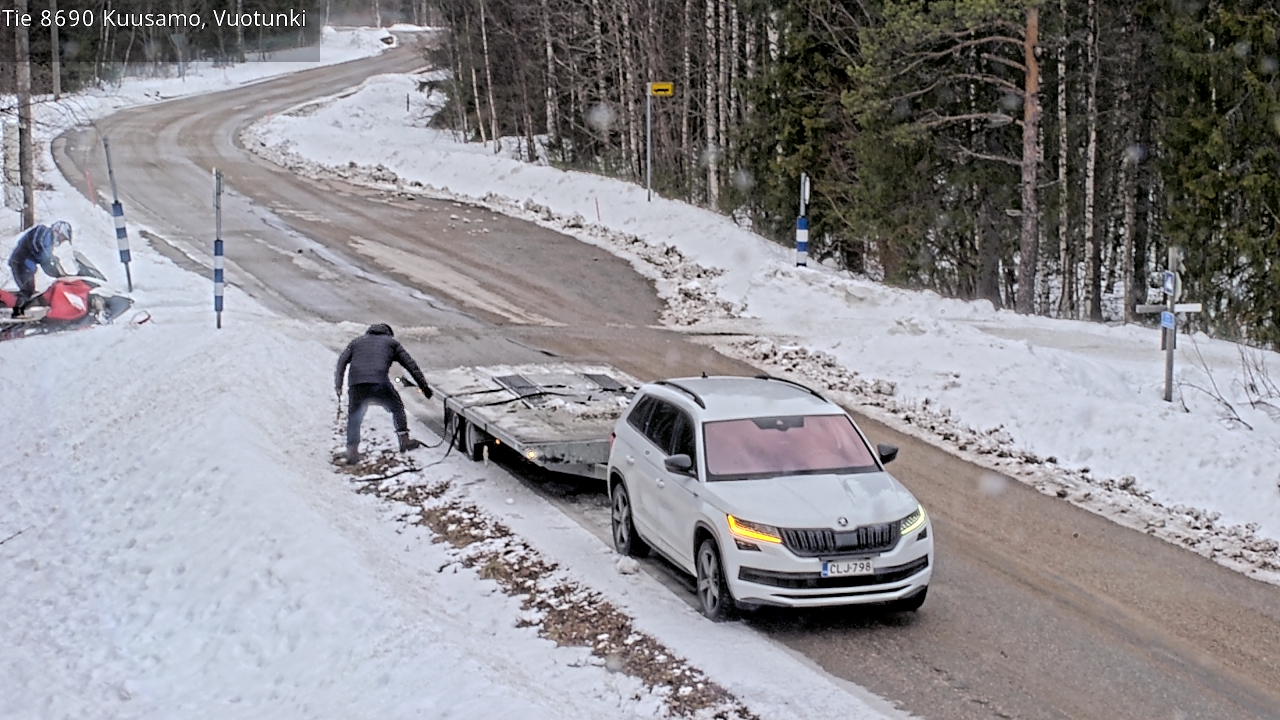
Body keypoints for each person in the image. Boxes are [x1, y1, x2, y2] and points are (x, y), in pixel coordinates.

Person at [334, 323, 433, 464]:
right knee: (397, 407)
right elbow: (411, 365)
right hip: (379, 383)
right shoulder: (391, 343)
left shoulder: (356, 342)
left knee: (354, 418)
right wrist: (424, 387)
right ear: (388, 333)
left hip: (357, 386)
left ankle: (352, 452)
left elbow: (341, 362)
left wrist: (338, 385)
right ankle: (404, 441)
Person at [7, 220, 73, 317]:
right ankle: (16, 314)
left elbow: (45, 263)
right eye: (63, 237)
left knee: (31, 292)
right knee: (27, 290)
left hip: (25, 265)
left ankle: (21, 311)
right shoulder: (44, 231)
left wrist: (59, 275)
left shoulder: (48, 242)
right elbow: (40, 248)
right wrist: (51, 259)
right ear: (59, 231)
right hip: (21, 262)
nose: (61, 240)